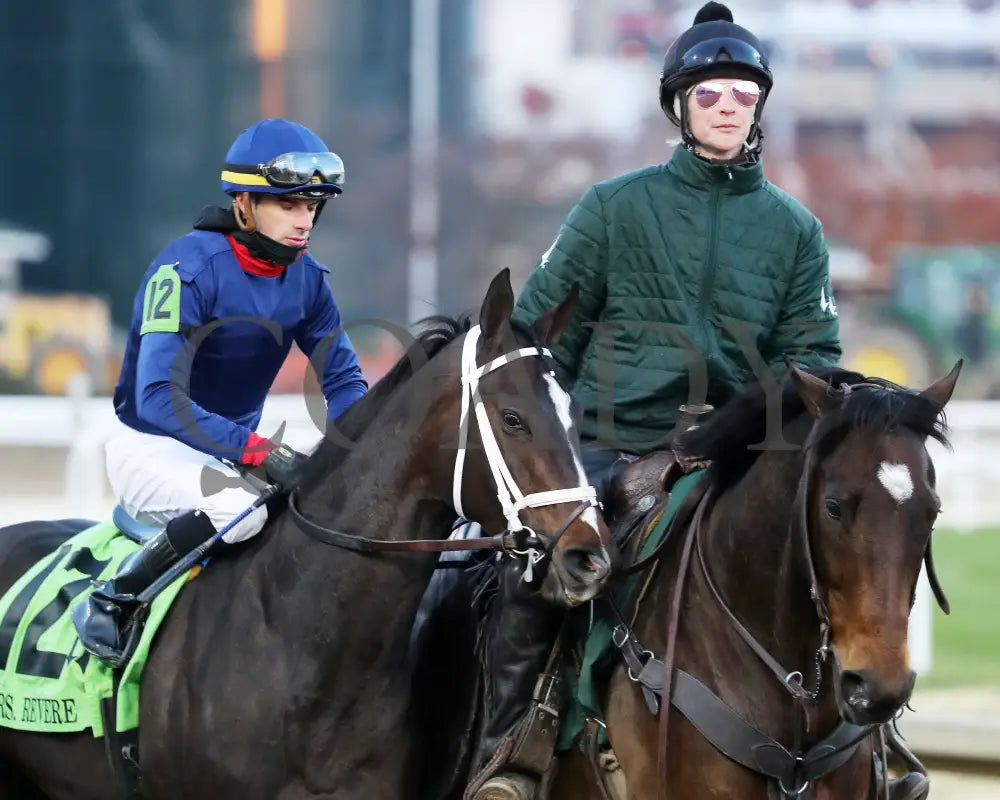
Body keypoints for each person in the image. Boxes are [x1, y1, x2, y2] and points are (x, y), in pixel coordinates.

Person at [467, 4, 928, 800]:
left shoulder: (796, 230)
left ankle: (876, 739)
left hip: (739, 453)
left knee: (850, 533)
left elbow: (811, 364)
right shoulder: (612, 208)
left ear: (759, 108)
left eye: (743, 95)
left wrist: (745, 431)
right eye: (709, 94)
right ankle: (513, 748)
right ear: (679, 107)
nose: (727, 107)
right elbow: (541, 342)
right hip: (612, 444)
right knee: (536, 572)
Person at [72, 118, 369, 665]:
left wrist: (358, 448)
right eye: (289, 205)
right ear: (244, 204)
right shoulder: (184, 270)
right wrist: (258, 450)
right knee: (244, 511)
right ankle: (114, 600)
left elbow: (345, 380)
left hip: (228, 455)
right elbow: (155, 398)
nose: (304, 221)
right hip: (151, 447)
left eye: (312, 207)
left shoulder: (308, 280)